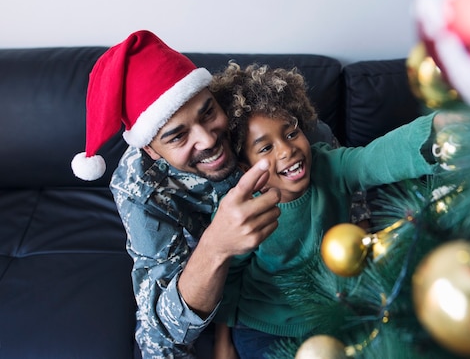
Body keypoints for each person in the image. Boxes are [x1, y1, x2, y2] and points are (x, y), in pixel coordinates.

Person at [69, 30, 371, 359]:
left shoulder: (269, 117)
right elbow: (161, 331)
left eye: (208, 113)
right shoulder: (139, 186)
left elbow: (351, 189)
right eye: (178, 136)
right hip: (230, 293)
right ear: (152, 151)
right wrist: (217, 246)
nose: (208, 140)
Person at [207, 62, 440, 359]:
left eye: (291, 133)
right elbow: (228, 277)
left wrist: (439, 132)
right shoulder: (240, 213)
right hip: (265, 329)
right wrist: (222, 342)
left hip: (335, 315)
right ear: (245, 167)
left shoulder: (330, 166)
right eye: (265, 148)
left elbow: (374, 159)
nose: (286, 150)